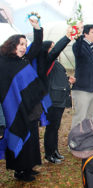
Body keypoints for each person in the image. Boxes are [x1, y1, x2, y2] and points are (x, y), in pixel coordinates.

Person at [0, 18, 45, 182]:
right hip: (13, 109)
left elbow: (38, 46)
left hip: (30, 108)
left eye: (25, 44)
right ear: (12, 44)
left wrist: (37, 29)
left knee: (31, 138)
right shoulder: (3, 62)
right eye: (21, 44)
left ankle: (29, 167)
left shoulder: (23, 60)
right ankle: (19, 171)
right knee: (18, 136)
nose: (24, 47)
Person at [42, 31, 76, 164]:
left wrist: (68, 79)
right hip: (53, 99)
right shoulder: (46, 61)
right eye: (51, 47)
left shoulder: (55, 63)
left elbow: (56, 77)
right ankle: (49, 154)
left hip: (60, 98)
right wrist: (68, 36)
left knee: (55, 127)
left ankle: (55, 150)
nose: (54, 49)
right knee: (51, 128)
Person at [71, 24, 93, 128]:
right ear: (85, 34)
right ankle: (74, 141)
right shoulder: (80, 46)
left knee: (89, 117)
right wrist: (79, 34)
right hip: (82, 89)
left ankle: (85, 140)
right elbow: (77, 46)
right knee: (80, 117)